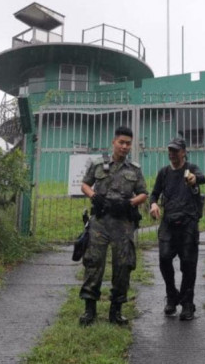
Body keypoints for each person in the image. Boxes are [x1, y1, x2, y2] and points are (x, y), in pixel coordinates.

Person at [79, 126, 148, 326]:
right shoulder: (98, 165)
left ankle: (116, 311)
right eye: (121, 142)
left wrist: (130, 203)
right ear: (114, 142)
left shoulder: (134, 169)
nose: (125, 147)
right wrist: (94, 196)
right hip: (100, 222)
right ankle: (89, 310)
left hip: (123, 224)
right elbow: (85, 184)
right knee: (93, 263)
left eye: (128, 144)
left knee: (123, 266)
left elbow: (144, 193)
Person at [149, 137, 205, 321]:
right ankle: (172, 297)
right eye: (170, 150)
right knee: (164, 259)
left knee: (188, 264)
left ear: (184, 152)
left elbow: (201, 178)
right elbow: (154, 194)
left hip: (188, 222)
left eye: (176, 150)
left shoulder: (191, 169)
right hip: (168, 223)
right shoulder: (164, 172)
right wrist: (153, 205)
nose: (172, 154)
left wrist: (193, 180)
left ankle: (187, 304)